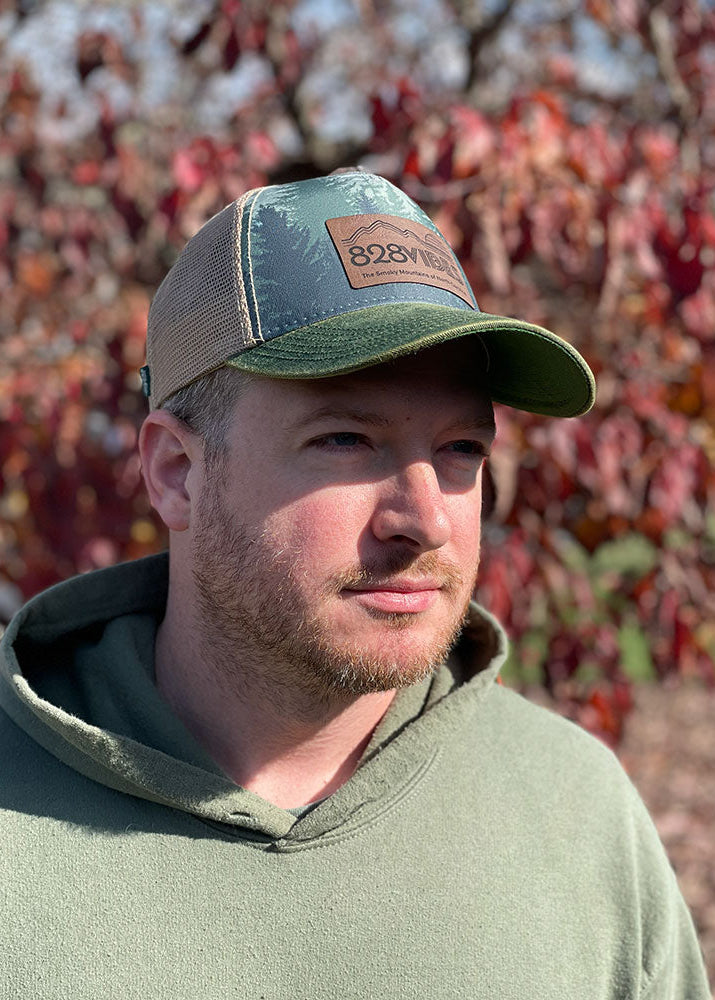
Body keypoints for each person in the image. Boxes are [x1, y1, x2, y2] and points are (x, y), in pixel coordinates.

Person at [0, 170, 709, 1000]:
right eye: (345, 439)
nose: (426, 520)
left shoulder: (576, 814)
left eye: (461, 450)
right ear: (175, 472)